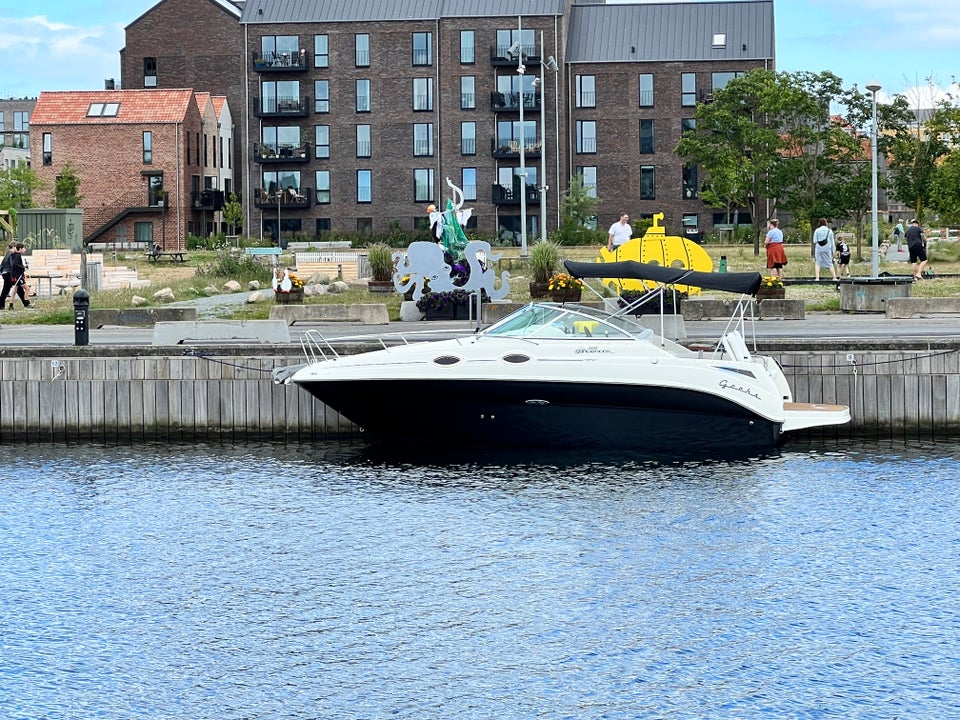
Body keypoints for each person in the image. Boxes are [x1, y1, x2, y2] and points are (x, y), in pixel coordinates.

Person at [0, 243, 32, 309]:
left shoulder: (8, 253)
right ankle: (26, 303)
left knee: (11, 289)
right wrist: (22, 269)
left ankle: (5, 305)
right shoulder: (12, 254)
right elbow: (13, 265)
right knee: (14, 289)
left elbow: (2, 264)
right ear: (14, 247)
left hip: (6, 273)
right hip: (10, 273)